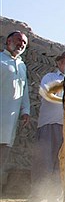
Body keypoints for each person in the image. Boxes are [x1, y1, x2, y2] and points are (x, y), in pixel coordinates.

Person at [29, 50, 65, 202]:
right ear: (59, 63)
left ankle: (55, 199)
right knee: (43, 162)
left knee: (63, 165)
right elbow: (47, 94)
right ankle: (36, 198)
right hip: (49, 124)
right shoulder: (50, 78)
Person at [0, 31, 31, 189]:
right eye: (18, 40)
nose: (21, 44)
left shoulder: (22, 66)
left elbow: (24, 91)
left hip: (9, 123)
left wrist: (26, 110)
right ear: (8, 40)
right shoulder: (1, 60)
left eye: (24, 43)